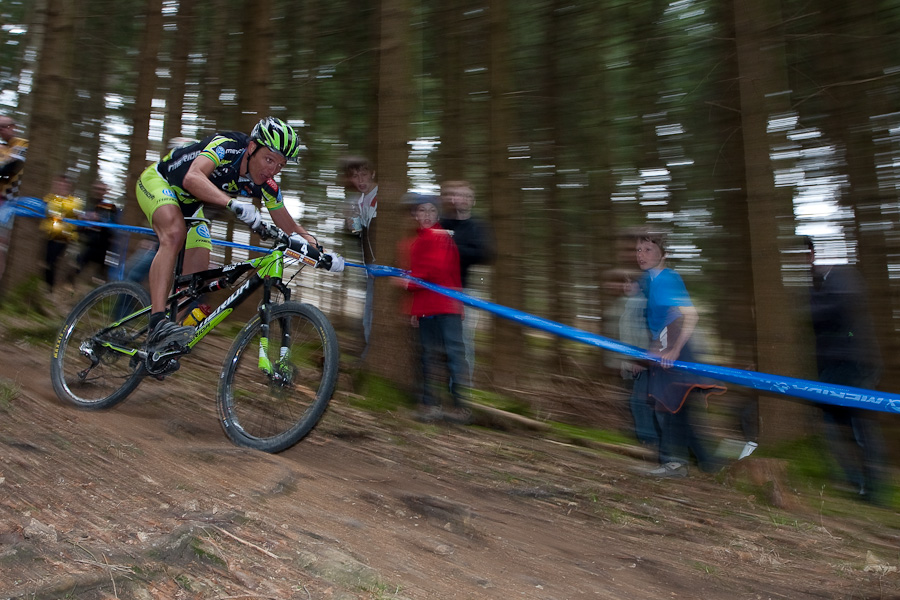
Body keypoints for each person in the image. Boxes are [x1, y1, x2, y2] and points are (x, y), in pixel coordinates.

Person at [136, 116, 333, 354]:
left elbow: (290, 226)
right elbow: (193, 177)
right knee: (174, 234)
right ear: (252, 148)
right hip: (159, 181)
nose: (272, 170)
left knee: (195, 279)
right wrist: (233, 204)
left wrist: (318, 250)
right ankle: (157, 322)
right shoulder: (227, 145)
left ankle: (160, 343)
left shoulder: (266, 184)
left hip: (190, 207)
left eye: (280, 165)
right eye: (268, 159)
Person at [805, 237, 889, 505]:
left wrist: (808, 302)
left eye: (810, 256)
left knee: (862, 428)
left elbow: (841, 316)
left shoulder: (843, 276)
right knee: (834, 427)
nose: (810, 262)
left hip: (855, 366)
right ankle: (857, 482)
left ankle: (873, 489)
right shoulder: (823, 282)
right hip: (838, 369)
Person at [636, 231, 725, 478]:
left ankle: (675, 464)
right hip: (667, 352)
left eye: (648, 250)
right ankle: (712, 466)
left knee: (669, 408)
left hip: (679, 353)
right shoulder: (650, 281)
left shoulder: (668, 279)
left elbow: (690, 314)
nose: (641, 255)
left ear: (663, 255)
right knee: (679, 411)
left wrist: (673, 349)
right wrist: (655, 346)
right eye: (638, 250)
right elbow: (662, 319)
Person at [397, 193, 470, 425]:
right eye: (421, 211)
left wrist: (406, 283)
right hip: (427, 308)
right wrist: (415, 310)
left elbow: (434, 270)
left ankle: (460, 407)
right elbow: (418, 273)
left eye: (431, 211)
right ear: (415, 215)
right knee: (427, 356)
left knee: (453, 355)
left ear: (437, 214)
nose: (426, 215)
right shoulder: (416, 241)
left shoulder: (441, 236)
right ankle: (430, 404)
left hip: (448, 306)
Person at [439, 180, 494, 383]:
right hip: (436, 289)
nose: (458, 199)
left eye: (464, 196)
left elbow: (484, 254)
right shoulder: (440, 222)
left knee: (463, 343)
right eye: (454, 195)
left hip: (465, 291)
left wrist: (452, 248)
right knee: (435, 341)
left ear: (472, 200)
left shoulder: (477, 226)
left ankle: (462, 389)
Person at [615, 270, 658, 447]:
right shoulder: (629, 304)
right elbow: (626, 336)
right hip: (633, 361)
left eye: (630, 282)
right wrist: (625, 361)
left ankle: (649, 440)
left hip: (643, 363)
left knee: (639, 402)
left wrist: (640, 360)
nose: (626, 285)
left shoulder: (640, 304)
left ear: (639, 286)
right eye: (625, 282)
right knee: (635, 401)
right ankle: (644, 436)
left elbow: (643, 334)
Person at [341, 156, 378, 358]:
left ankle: (370, 356)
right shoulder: (359, 201)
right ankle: (368, 356)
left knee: (371, 317)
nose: (360, 180)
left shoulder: (379, 197)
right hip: (370, 267)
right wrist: (351, 226)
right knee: (368, 316)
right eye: (355, 176)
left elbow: (379, 235)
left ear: (373, 174)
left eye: (364, 174)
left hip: (381, 267)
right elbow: (359, 235)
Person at [69, 181, 120, 285]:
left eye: (101, 189)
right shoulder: (88, 205)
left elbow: (115, 226)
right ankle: (69, 290)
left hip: (104, 246)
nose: (99, 192)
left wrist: (99, 219)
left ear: (106, 191)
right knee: (76, 268)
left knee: (101, 277)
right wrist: (82, 223)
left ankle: (101, 294)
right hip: (89, 244)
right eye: (97, 189)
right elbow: (79, 226)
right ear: (93, 190)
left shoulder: (111, 207)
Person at [40, 175, 84, 295]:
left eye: (64, 185)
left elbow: (77, 213)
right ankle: (49, 289)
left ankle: (70, 286)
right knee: (49, 263)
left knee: (75, 262)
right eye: (59, 184)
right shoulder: (49, 199)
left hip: (69, 238)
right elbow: (44, 208)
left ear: (69, 186)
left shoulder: (75, 202)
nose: (61, 187)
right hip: (52, 236)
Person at [0, 115, 27, 205]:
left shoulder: (23, 144)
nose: (2, 130)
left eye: (4, 126)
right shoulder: (2, 148)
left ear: (14, 127)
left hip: (16, 197)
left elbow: (13, 166)